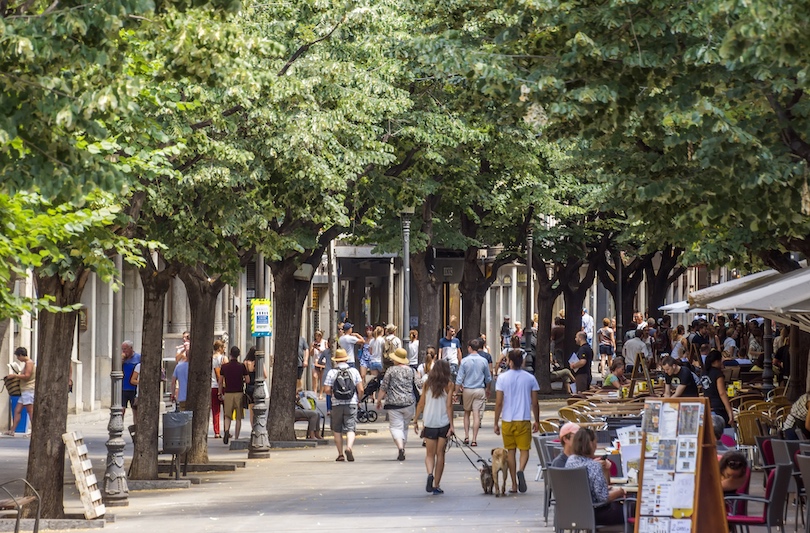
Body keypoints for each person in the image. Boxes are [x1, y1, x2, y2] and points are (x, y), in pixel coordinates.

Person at [494, 349, 540, 494]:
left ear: (510, 362)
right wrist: (537, 420)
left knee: (511, 452)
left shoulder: (502, 378)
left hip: (507, 419)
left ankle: (514, 484)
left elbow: (499, 402)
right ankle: (521, 470)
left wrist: (496, 422)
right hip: (524, 418)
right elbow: (535, 402)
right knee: (524, 450)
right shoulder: (530, 378)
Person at [565, 428, 626, 526]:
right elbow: (603, 498)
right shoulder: (594, 466)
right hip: (595, 513)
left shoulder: (570, 461)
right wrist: (620, 492)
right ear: (591, 444)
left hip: (575, 512)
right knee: (632, 508)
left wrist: (605, 470)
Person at [413, 359, 455, 495]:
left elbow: (421, 403)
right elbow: (449, 406)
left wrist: (415, 420)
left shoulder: (427, 384)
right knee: (440, 454)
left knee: (429, 454)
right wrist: (452, 425)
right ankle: (436, 485)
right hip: (443, 423)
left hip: (429, 423)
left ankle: (430, 473)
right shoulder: (449, 385)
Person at [376, 348, 418, 461]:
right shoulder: (412, 371)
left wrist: (379, 399)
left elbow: (384, 386)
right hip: (409, 403)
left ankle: (400, 448)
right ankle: (403, 447)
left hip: (393, 403)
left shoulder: (390, 370)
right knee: (404, 427)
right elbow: (418, 385)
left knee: (395, 427)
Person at [323, 348, 364, 462]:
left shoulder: (332, 372)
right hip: (351, 402)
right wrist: (358, 399)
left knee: (337, 429)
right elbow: (361, 389)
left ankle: (340, 454)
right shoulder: (354, 371)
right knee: (350, 428)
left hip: (336, 404)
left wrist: (334, 393)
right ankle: (349, 447)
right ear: (346, 359)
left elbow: (326, 389)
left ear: (336, 360)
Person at [455, 338, 492, 447]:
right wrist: (488, 389)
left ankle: (466, 436)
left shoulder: (465, 361)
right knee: (476, 414)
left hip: (467, 389)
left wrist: (455, 393)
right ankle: (474, 439)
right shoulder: (483, 361)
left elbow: (459, 378)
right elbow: (488, 378)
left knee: (467, 412)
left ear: (470, 348)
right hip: (479, 389)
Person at [218, 346, 249, 445]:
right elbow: (248, 380)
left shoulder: (224, 367)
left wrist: (220, 392)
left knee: (227, 415)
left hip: (228, 393)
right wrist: (242, 380)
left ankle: (226, 431)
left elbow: (220, 381)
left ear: (230, 354)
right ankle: (236, 437)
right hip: (239, 392)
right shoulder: (241, 366)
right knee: (238, 417)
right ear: (238, 355)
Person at [4, 347, 36, 436]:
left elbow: (27, 376)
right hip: (24, 391)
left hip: (28, 390)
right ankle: (12, 430)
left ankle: (34, 431)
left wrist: (15, 376)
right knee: (17, 410)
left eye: (18, 357)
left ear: (21, 355)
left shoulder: (29, 363)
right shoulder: (27, 363)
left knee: (30, 411)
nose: (18, 359)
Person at [700, 350, 734, 426]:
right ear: (716, 361)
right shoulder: (718, 374)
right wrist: (729, 411)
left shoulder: (703, 373)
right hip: (718, 408)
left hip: (707, 406)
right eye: (720, 360)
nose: (722, 362)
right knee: (724, 434)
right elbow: (722, 393)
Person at [121, 341, 141, 420]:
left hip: (134, 389)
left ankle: (136, 428)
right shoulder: (122, 359)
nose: (124, 351)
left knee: (135, 411)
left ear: (131, 348)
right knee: (121, 410)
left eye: (125, 349)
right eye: (122, 349)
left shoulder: (138, 357)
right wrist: (121, 360)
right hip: (123, 388)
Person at [211, 340, 227, 438]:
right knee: (226, 410)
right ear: (220, 348)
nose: (224, 349)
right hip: (223, 386)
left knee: (215, 410)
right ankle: (226, 429)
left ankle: (216, 431)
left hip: (213, 386)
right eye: (223, 347)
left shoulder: (210, 358)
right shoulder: (223, 359)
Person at [311, 330, 328, 400]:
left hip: (323, 362)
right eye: (316, 336)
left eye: (319, 336)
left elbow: (326, 351)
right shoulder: (313, 343)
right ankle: (315, 392)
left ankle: (320, 394)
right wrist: (313, 348)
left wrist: (319, 349)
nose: (317, 337)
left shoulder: (325, 342)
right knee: (315, 377)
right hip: (315, 362)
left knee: (322, 378)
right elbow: (311, 354)